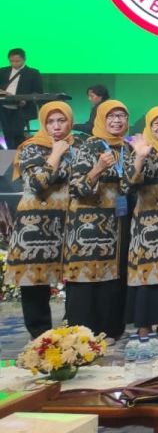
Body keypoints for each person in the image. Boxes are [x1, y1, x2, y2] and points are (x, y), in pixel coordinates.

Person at [7, 101, 75, 338]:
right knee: (35, 281)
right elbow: (37, 183)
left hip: (68, 223)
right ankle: (40, 336)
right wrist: (55, 154)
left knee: (74, 278)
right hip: (35, 225)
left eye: (61, 120)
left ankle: (74, 334)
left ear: (70, 122)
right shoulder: (31, 148)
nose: (56, 126)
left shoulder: (77, 147)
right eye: (50, 121)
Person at [65, 99, 132, 342]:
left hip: (117, 224)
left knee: (112, 277)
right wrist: (97, 169)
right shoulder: (90, 146)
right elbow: (76, 188)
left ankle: (111, 330)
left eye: (121, 116)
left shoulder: (127, 148)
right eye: (111, 116)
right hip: (88, 225)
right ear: (101, 119)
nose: (116, 120)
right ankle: (83, 335)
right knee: (86, 278)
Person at [125, 106, 158, 337]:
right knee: (149, 275)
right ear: (149, 126)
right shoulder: (145, 149)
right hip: (149, 224)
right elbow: (129, 182)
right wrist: (140, 156)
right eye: (157, 123)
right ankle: (144, 327)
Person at [1, 48, 43, 149]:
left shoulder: (33, 73)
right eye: (11, 61)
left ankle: (18, 152)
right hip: (3, 106)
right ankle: (10, 152)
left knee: (18, 133)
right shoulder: (2, 71)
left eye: (17, 61)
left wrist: (25, 100)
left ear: (24, 59)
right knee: (7, 133)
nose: (14, 63)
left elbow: (37, 92)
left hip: (21, 107)